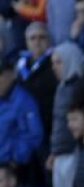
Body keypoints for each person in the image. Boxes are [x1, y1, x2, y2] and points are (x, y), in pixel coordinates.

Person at [48, 42, 84, 187]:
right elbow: (58, 123)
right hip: (60, 154)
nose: (55, 67)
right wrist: (54, 151)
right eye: (53, 63)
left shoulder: (79, 88)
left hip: (75, 153)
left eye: (59, 62)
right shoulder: (61, 88)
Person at [17, 23, 56, 154]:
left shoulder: (55, 63)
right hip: (24, 133)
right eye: (32, 38)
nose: (37, 42)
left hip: (48, 130)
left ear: (49, 40)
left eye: (41, 37)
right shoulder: (19, 66)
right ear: (26, 42)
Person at [0, 58, 44, 172]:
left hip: (15, 169)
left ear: (12, 75)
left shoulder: (24, 100)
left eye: (1, 74)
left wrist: (15, 159)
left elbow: (34, 134)